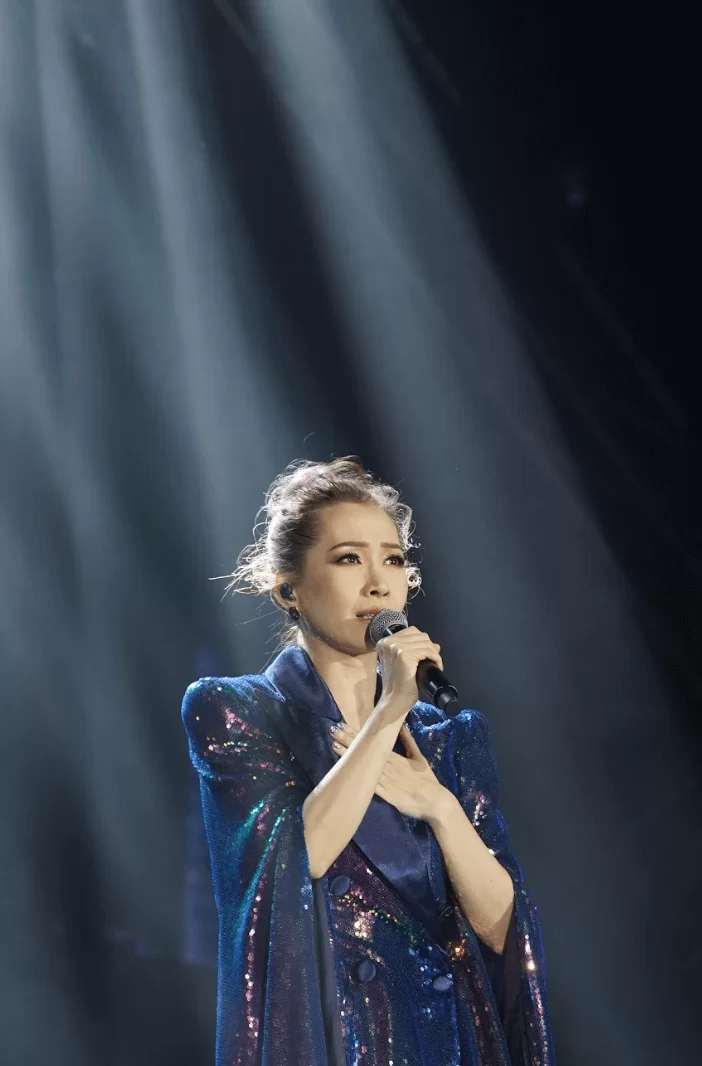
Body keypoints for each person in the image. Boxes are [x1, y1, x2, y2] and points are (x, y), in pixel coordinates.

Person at [182, 457, 555, 1066]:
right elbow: (294, 861)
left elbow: (503, 930)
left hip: (449, 1037)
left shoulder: (450, 738)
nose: (379, 584)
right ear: (288, 589)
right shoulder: (237, 711)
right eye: (349, 559)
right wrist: (389, 711)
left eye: (394, 560)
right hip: (338, 1037)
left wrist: (440, 808)